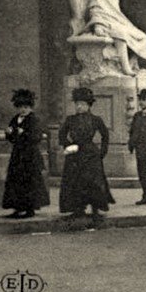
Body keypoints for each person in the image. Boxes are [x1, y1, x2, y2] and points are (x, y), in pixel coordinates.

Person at [85, 0, 146, 74]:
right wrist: (98, 25)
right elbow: (94, 9)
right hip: (104, 22)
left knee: (142, 36)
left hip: (116, 20)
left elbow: (114, 10)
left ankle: (132, 62)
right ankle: (126, 68)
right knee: (121, 34)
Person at [59, 87, 115, 220]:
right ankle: (78, 208)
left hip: (91, 154)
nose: (79, 107)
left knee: (93, 182)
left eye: (82, 104)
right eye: (77, 104)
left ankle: (95, 208)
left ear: (89, 106)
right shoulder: (70, 119)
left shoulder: (96, 119)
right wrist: (69, 145)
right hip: (75, 154)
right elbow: (62, 135)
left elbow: (105, 135)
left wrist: (102, 151)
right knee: (75, 181)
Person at [2, 89, 50, 219]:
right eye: (20, 107)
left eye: (26, 107)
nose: (23, 110)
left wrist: (24, 133)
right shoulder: (15, 119)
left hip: (30, 155)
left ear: (30, 107)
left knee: (29, 181)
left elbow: (37, 137)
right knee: (16, 181)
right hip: (18, 155)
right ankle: (18, 208)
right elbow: (12, 139)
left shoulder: (33, 120)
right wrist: (9, 133)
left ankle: (30, 209)